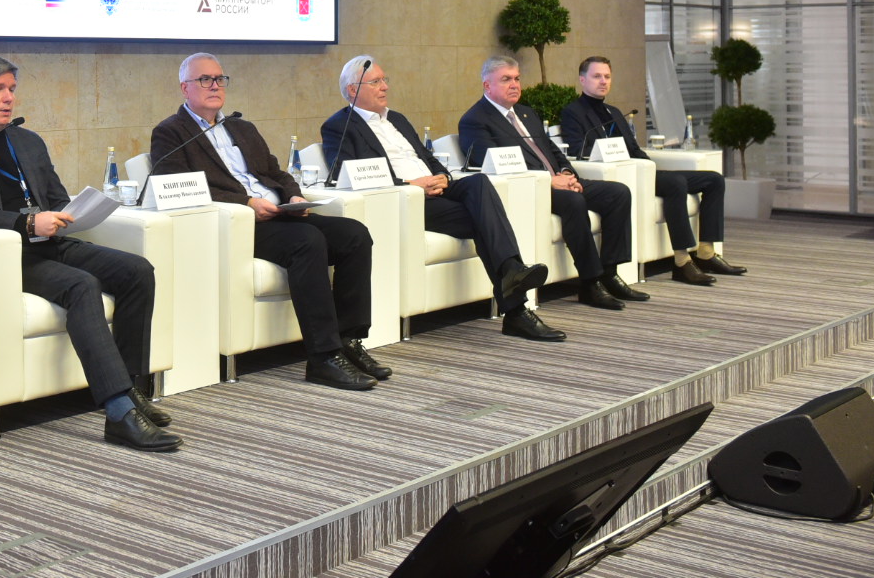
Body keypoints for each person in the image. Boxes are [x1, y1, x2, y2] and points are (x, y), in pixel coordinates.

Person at [0, 55, 181, 453]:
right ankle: (119, 414)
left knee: (137, 270)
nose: (8, 98)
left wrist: (77, 212)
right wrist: (26, 223)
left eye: (12, 89)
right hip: (7, 258)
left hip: (53, 243)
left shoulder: (28, 141)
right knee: (82, 285)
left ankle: (132, 390)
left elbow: (56, 198)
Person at [150, 53, 383, 390]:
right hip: (242, 226)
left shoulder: (241, 127)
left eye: (220, 79)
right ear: (185, 88)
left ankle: (349, 341)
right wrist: (246, 203)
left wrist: (294, 197)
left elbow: (276, 172)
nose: (215, 86)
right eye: (205, 80)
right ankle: (323, 358)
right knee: (308, 242)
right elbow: (181, 189)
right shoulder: (171, 133)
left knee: (354, 235)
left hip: (281, 214)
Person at [321, 55, 564, 341]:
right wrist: (412, 185)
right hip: (408, 199)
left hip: (437, 189)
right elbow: (348, 173)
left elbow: (428, 158)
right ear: (353, 90)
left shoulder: (397, 119)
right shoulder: (339, 126)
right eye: (376, 82)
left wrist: (442, 177)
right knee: (485, 222)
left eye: (385, 80)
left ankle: (513, 280)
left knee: (478, 183)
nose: (385, 86)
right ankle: (516, 306)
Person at [457, 56, 646, 312]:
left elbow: (553, 150)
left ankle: (610, 273)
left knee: (618, 193)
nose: (514, 85)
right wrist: (550, 181)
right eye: (506, 79)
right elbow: (493, 164)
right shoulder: (475, 120)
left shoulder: (527, 113)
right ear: (487, 85)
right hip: (529, 190)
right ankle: (590, 283)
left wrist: (567, 174)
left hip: (557, 180)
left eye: (517, 78)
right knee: (574, 201)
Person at [559, 56, 746, 284]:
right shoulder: (573, 112)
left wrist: (649, 165)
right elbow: (577, 150)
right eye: (597, 76)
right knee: (676, 183)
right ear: (582, 80)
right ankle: (682, 261)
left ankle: (706, 252)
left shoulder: (614, 112)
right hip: (621, 175)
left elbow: (633, 148)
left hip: (642, 171)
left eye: (607, 76)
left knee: (714, 180)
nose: (603, 81)